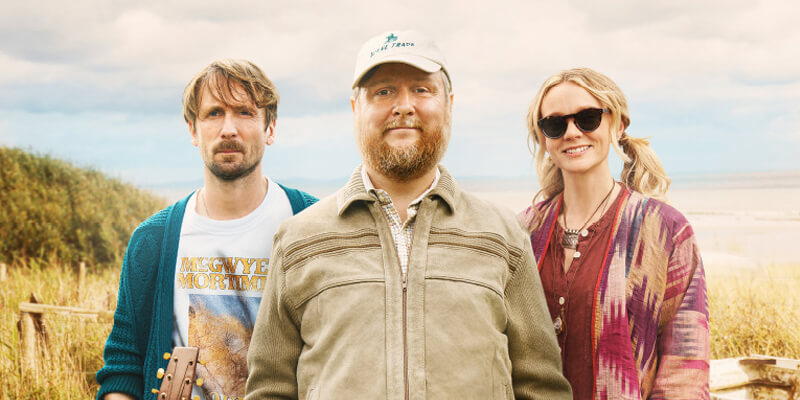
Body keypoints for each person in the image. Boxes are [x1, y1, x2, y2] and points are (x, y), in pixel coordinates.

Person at [245, 30, 572, 400]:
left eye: (421, 89)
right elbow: (269, 389)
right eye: (383, 91)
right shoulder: (298, 241)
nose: (403, 106)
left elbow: (541, 388)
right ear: (356, 108)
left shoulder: (503, 235)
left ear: (448, 103)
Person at [95, 59, 317, 400]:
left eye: (244, 112)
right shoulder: (152, 241)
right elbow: (123, 367)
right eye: (214, 113)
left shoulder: (314, 225)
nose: (228, 129)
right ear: (193, 130)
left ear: (270, 128)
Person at [518, 67, 709, 399]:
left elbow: (685, 371)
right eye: (555, 123)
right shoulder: (521, 233)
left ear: (617, 124)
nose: (572, 132)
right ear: (543, 138)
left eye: (588, 118)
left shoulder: (665, 231)